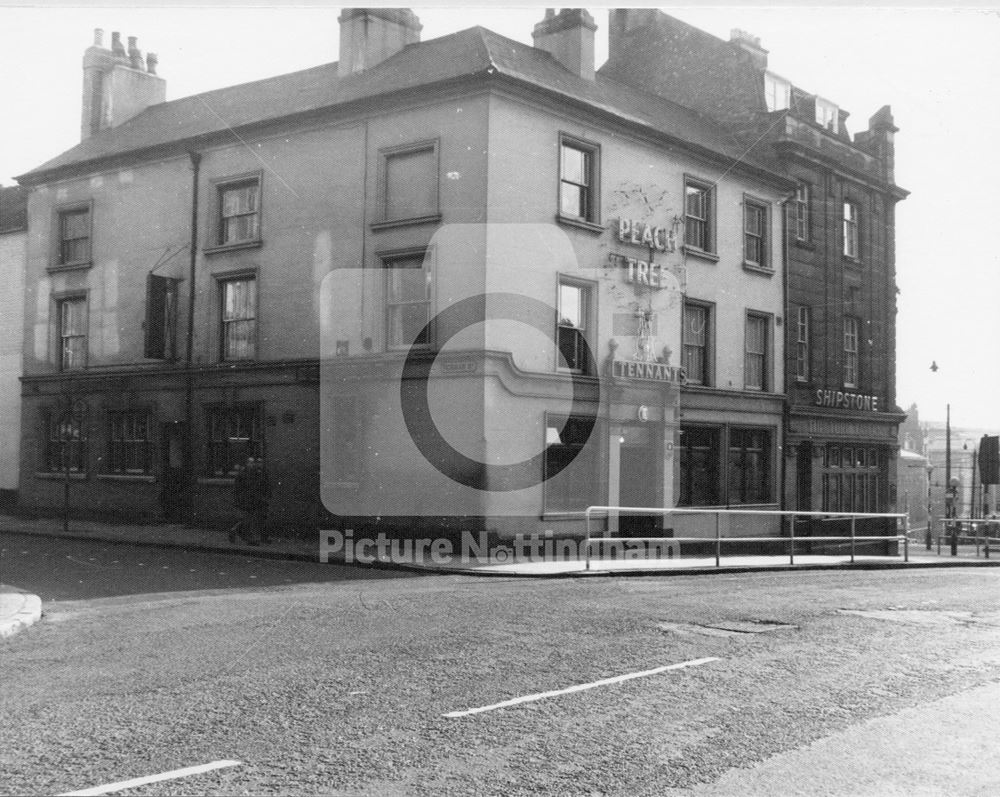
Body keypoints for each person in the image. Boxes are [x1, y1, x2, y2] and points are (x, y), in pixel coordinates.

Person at [230, 456, 271, 545]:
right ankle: (248, 537)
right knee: (249, 518)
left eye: (254, 463)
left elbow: (264, 486)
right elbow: (239, 488)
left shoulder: (258, 473)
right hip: (248, 500)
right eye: (250, 463)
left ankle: (261, 537)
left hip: (258, 499)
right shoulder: (244, 474)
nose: (252, 465)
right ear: (247, 464)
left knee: (259, 518)